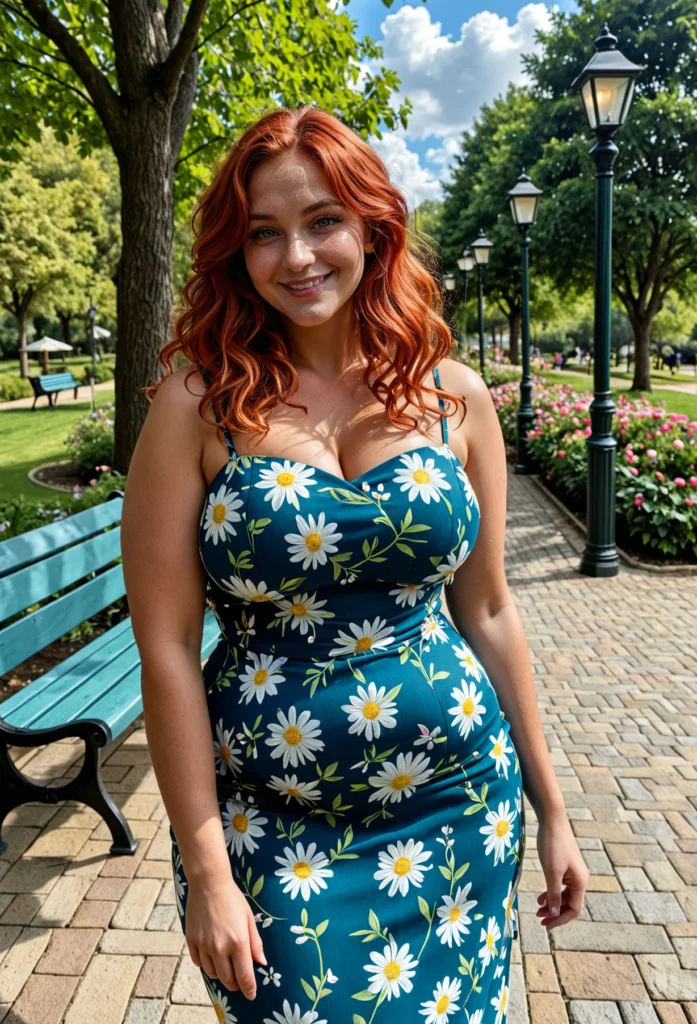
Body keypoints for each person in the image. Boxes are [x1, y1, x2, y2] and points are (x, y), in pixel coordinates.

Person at [121, 105, 588, 1024]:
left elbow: (489, 611)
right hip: (271, 823)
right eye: (264, 233)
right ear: (236, 252)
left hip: (455, 809)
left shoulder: (455, 398)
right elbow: (167, 647)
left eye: (322, 220)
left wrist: (554, 810)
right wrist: (207, 869)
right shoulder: (197, 403)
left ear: (373, 228)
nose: (296, 257)